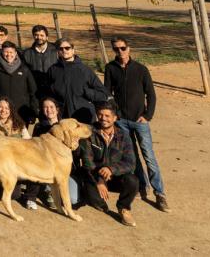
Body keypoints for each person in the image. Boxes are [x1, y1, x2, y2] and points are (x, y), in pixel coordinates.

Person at [104, 38, 168, 212]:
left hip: (139, 120)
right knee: (133, 157)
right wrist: (114, 116)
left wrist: (147, 115)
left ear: (129, 49)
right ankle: (141, 185)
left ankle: (159, 193)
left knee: (149, 156)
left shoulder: (141, 69)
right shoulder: (110, 68)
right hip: (122, 121)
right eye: (116, 49)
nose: (120, 52)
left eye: (123, 48)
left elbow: (151, 95)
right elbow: (107, 94)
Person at [78, 101, 140, 227]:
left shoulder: (123, 135)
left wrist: (111, 169)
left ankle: (124, 208)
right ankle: (90, 194)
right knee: (99, 204)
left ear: (115, 118)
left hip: (115, 176)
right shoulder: (89, 133)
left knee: (133, 181)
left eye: (107, 116)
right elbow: (87, 162)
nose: (103, 118)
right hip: (94, 176)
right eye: (100, 115)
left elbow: (131, 163)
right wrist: (100, 180)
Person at [30, 95, 80, 209]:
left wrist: (75, 146)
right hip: (46, 167)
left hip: (65, 169)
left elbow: (76, 154)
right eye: (45, 107)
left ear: (57, 109)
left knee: (73, 199)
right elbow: (34, 148)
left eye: (51, 107)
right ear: (42, 110)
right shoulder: (39, 127)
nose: (49, 110)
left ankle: (53, 189)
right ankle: (48, 190)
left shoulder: (67, 125)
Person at [49, 40, 108, 123]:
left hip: (83, 115)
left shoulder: (85, 70)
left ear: (73, 50)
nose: (64, 51)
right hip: (63, 116)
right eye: (61, 49)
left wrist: (88, 92)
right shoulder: (53, 70)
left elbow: (103, 94)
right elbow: (48, 93)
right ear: (58, 52)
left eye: (67, 48)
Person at [0, 41, 38, 124]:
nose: (9, 55)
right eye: (6, 52)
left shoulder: (24, 69)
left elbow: (33, 92)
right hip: (2, 112)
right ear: (2, 52)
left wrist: (33, 111)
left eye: (11, 52)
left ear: (16, 53)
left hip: (21, 112)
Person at [23, 24, 59, 98]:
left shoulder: (56, 52)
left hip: (53, 91)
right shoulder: (27, 53)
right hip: (35, 91)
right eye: (36, 35)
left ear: (47, 37)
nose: (39, 37)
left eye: (42, 35)